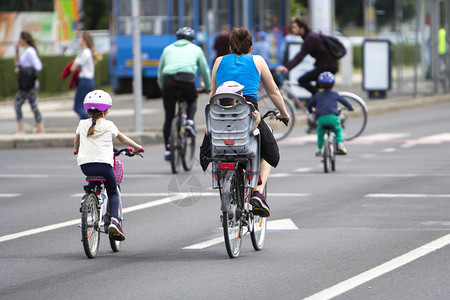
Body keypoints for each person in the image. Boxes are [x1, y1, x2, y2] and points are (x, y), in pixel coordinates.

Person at [209, 27, 290, 217]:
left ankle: (227, 203)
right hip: (248, 113)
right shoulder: (258, 60)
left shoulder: (219, 61)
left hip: (220, 113)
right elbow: (273, 91)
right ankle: (258, 193)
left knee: (217, 149)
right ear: (251, 47)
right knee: (267, 150)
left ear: (230, 47)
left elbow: (212, 93)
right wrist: (284, 113)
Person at [74, 90, 143, 241]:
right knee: (113, 192)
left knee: (93, 178)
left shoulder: (82, 124)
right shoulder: (109, 125)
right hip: (104, 166)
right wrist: (137, 147)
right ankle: (115, 221)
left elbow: (77, 143)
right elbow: (124, 140)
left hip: (85, 166)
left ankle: (88, 195)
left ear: (87, 110)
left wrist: (77, 151)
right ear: (106, 111)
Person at [157, 27, 211, 161]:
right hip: (186, 79)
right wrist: (208, 87)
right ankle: (190, 121)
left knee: (169, 117)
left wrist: (162, 87)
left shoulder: (167, 49)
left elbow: (160, 72)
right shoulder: (196, 49)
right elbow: (204, 70)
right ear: (192, 40)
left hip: (168, 80)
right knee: (192, 99)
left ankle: (168, 150)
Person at [276, 18, 338, 96]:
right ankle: (319, 101)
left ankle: (322, 98)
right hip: (325, 66)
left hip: (327, 67)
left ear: (302, 28)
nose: (292, 29)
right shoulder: (309, 37)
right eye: (291, 27)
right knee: (316, 91)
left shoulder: (310, 38)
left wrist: (287, 68)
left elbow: (300, 56)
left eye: (294, 27)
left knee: (303, 80)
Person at [307, 72, 354, 156]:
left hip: (321, 119)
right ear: (333, 84)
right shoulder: (335, 94)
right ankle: (340, 145)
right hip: (333, 118)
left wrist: (311, 111)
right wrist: (350, 108)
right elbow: (345, 102)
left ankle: (319, 148)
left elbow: (310, 105)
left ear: (320, 85)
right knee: (338, 129)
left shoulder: (318, 95)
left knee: (320, 132)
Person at [14, 31, 44, 134]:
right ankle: (36, 130)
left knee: (27, 105)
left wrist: (24, 70)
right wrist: (16, 51)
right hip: (25, 84)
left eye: (20, 38)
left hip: (30, 84)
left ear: (24, 39)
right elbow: (17, 63)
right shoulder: (26, 51)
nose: (18, 40)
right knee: (28, 105)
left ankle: (37, 130)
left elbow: (38, 66)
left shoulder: (30, 51)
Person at [70, 31, 102, 119]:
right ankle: (84, 129)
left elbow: (72, 68)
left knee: (77, 107)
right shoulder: (88, 52)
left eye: (80, 38)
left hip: (85, 81)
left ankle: (93, 122)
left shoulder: (84, 53)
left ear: (84, 40)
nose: (78, 40)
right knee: (83, 107)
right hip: (88, 81)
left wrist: (76, 62)